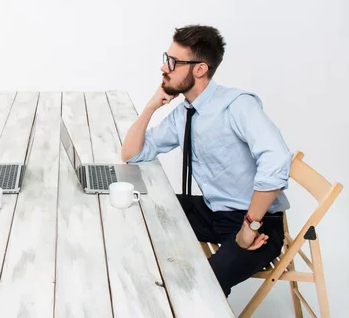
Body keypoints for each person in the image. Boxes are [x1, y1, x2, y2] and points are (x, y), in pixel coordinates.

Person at [121, 24, 291, 296]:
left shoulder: (236, 105)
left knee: (203, 287)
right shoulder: (185, 112)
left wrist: (251, 225)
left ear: (199, 69)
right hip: (213, 211)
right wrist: (151, 106)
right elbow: (133, 153)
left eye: (173, 62)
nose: (164, 68)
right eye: (167, 59)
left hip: (256, 224)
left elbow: (278, 159)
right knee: (136, 205)